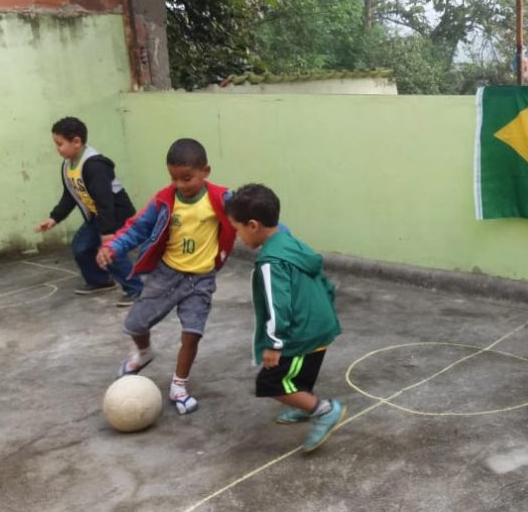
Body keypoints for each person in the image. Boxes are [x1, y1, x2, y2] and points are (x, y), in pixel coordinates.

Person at [97, 138, 235, 415]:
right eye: (174, 178)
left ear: (205, 171)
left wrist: (277, 238)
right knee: (135, 324)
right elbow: (137, 228)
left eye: (187, 178)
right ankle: (145, 352)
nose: (180, 184)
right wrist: (113, 247)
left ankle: (179, 385)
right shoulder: (164, 199)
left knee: (192, 334)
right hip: (167, 274)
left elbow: (256, 216)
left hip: (201, 279)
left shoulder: (221, 198)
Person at [225, 183, 346, 453]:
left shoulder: (270, 262)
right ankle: (304, 407)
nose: (237, 237)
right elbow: (322, 279)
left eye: (237, 229)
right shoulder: (289, 240)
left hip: (302, 332)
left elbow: (278, 304)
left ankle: (324, 410)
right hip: (319, 324)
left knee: (271, 382)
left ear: (253, 225)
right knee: (299, 376)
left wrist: (273, 344)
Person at [35, 116, 142, 305]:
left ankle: (136, 290)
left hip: (116, 215)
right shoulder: (68, 165)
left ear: (76, 142)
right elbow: (70, 195)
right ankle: (100, 281)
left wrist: (107, 233)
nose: (57, 148)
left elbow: (105, 201)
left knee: (111, 252)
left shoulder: (94, 165)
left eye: (60, 144)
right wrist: (54, 218)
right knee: (81, 247)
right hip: (98, 216)